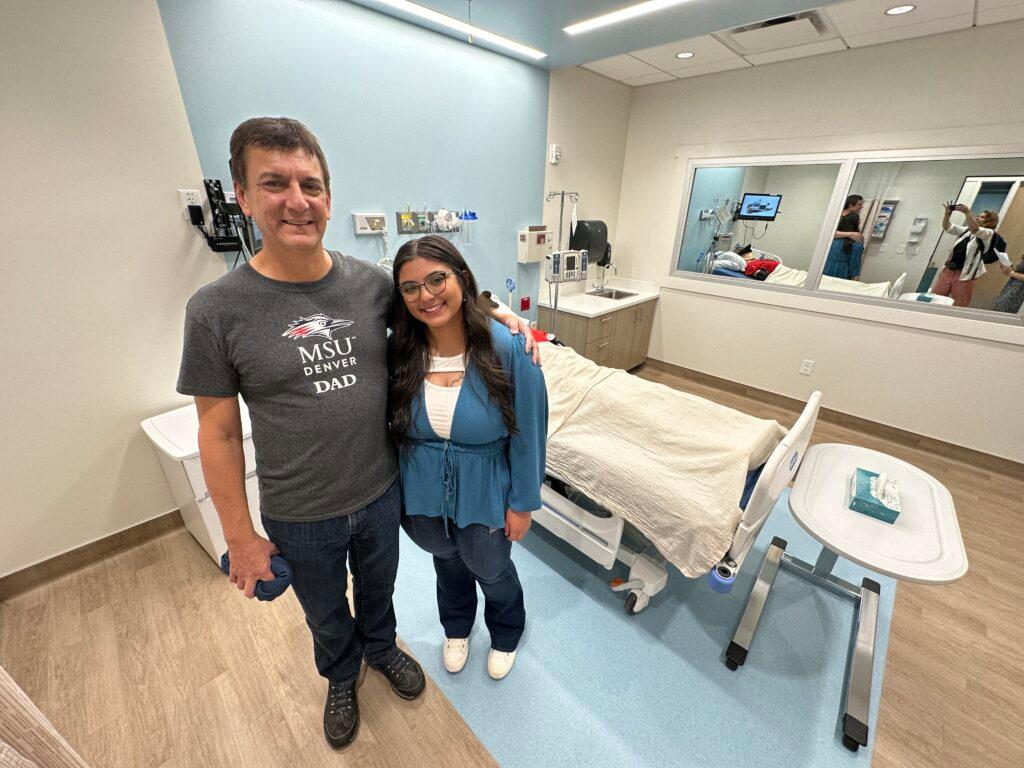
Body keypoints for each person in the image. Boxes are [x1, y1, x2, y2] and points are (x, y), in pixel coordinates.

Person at [176, 117, 535, 749]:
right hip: (299, 509)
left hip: (382, 493)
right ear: (242, 195)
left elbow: (442, 311)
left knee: (381, 591)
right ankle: (341, 676)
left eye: (310, 184)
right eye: (274, 183)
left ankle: (381, 647)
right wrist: (240, 535)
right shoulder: (215, 310)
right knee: (322, 610)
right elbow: (219, 432)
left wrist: (511, 323)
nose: (297, 200)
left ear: (329, 195)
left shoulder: (371, 287)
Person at [388, 236, 547, 681]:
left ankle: (506, 631)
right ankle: (456, 628)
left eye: (437, 279)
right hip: (423, 496)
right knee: (447, 565)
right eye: (411, 287)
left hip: (486, 494)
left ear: (460, 277)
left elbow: (529, 432)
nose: (426, 295)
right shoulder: (401, 350)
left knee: (492, 570)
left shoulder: (510, 347)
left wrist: (522, 503)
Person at [932, 204, 1006, 307]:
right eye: (978, 215)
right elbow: (947, 227)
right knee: (935, 299)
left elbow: (975, 230)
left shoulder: (989, 234)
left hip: (966, 275)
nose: (977, 217)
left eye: (982, 217)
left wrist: (967, 212)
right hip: (949, 270)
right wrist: (947, 214)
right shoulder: (967, 230)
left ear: (989, 221)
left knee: (959, 304)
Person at [823, 194, 865, 280]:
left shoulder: (831, 241)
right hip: (842, 274)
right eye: (859, 204)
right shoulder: (857, 243)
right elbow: (855, 266)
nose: (862, 207)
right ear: (850, 205)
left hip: (824, 271)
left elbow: (829, 232)